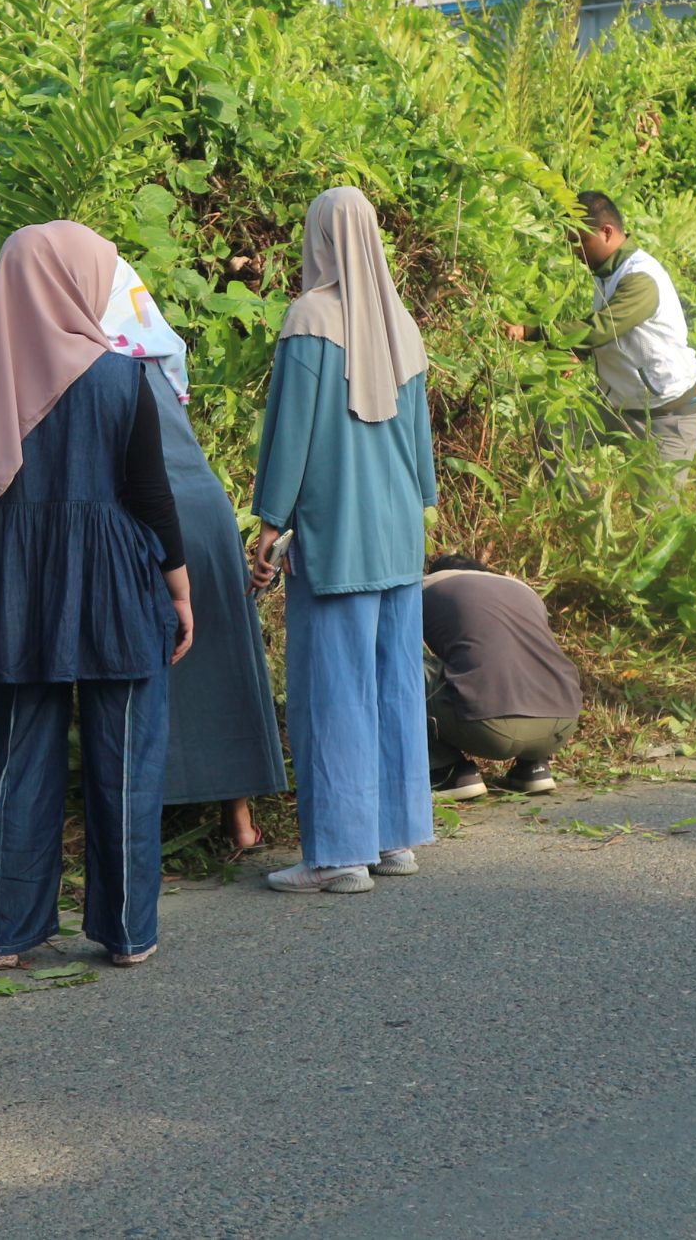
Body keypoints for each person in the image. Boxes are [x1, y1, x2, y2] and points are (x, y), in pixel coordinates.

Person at [0, 222, 191, 969]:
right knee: (125, 758)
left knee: (18, 757)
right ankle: (127, 931)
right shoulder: (123, 377)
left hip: (12, 589)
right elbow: (152, 496)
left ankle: (6, 934)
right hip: (116, 581)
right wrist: (180, 592)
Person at [247, 187, 438, 892]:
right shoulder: (404, 325)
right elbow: (423, 460)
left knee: (335, 690)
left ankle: (338, 855)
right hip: (397, 532)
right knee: (393, 683)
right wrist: (416, 503)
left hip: (339, 529)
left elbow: (290, 434)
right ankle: (396, 837)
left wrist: (270, 522)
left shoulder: (311, 319)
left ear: (320, 237)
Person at [100, 257, 285, 850]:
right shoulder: (155, 355)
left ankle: (145, 826)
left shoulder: (90, 367)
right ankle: (240, 821)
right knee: (226, 659)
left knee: (160, 662)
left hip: (152, 521)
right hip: (206, 511)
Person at [509, 190, 696, 473]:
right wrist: (578, 352)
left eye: (580, 241)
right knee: (553, 429)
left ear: (606, 232)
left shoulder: (641, 278)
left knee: (654, 512)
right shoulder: (607, 272)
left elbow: (602, 327)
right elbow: (611, 328)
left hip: (667, 413)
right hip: (618, 401)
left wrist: (531, 332)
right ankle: (573, 510)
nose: (575, 251)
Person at [421, 554, 584, 798]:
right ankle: (534, 766)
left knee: (397, 664)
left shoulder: (427, 587)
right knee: (522, 660)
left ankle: (448, 770)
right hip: (562, 725)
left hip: (487, 730)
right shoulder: (525, 591)